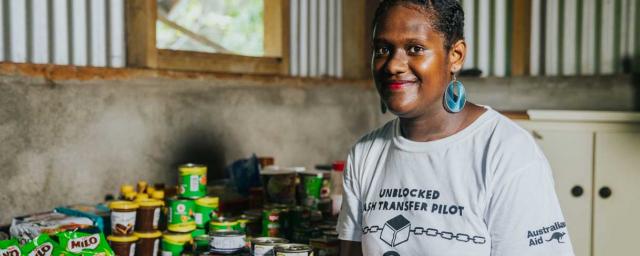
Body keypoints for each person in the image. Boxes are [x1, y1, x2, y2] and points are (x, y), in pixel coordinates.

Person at [336, 0, 575, 255]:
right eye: (383, 49)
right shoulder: (365, 154)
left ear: (455, 56)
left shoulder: (507, 152)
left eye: (415, 48)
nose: (393, 65)